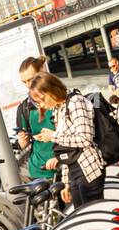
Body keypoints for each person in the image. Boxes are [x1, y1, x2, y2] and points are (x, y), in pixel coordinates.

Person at [29, 72, 105, 209]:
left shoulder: (75, 102)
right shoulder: (59, 109)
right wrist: (65, 183)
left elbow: (85, 139)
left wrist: (53, 136)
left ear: (51, 91)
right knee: (83, 218)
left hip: (88, 168)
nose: (43, 106)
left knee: (95, 218)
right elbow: (65, 150)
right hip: (74, 171)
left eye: (43, 100)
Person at [13, 55, 56, 182]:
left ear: (41, 72)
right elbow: (23, 144)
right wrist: (23, 139)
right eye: (24, 82)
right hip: (39, 170)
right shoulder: (24, 108)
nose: (27, 85)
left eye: (30, 79)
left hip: (65, 163)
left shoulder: (58, 97)